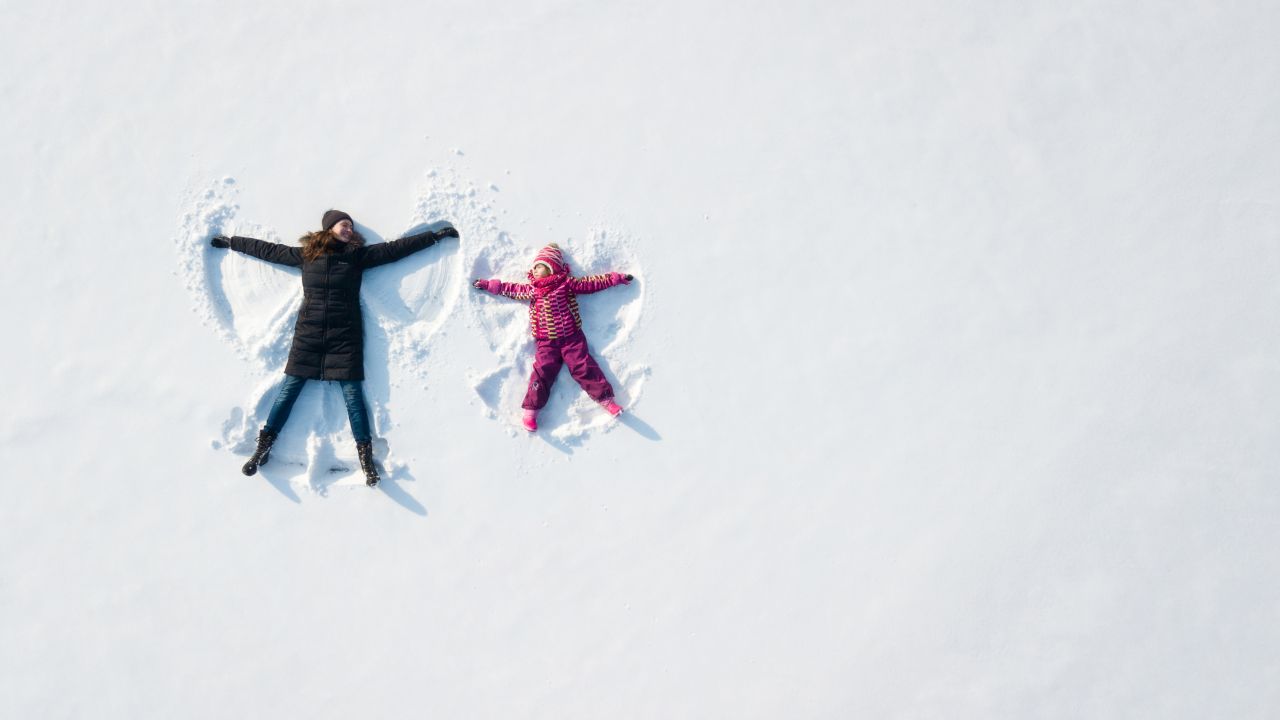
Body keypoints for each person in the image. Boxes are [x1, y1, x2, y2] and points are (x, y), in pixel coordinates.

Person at [211, 209, 458, 485]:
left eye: (351, 226)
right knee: (288, 390)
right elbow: (267, 250)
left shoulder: (356, 256)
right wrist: (232, 242)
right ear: (329, 227)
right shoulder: (307, 255)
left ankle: (366, 458)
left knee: (353, 397)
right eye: (344, 224)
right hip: (309, 335)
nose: (349, 229)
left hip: (345, 337)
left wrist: (434, 237)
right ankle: (263, 448)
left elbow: (394, 250)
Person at [472, 242, 632, 432]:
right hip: (546, 341)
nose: (537, 270)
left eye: (542, 267)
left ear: (552, 269)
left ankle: (606, 401)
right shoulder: (533, 290)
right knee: (543, 371)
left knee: (582, 366)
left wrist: (616, 278)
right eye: (535, 267)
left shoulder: (566, 284)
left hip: (572, 337)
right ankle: (531, 411)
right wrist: (489, 285)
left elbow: (591, 283)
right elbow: (511, 289)